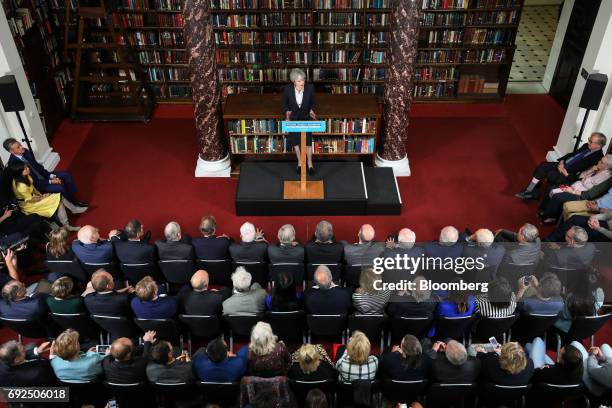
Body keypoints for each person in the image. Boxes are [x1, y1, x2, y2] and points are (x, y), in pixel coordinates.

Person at [516, 132, 607, 200]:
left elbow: (585, 174)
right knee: (543, 166)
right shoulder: (586, 146)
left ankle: (534, 193)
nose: (588, 142)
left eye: (591, 141)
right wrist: (562, 162)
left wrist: (566, 173)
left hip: (569, 174)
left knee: (551, 174)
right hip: (563, 165)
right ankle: (530, 190)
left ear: (598, 145)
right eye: (589, 139)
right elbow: (573, 154)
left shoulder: (598, 159)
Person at [4, 138, 88, 207]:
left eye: (20, 145)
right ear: (11, 151)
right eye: (18, 147)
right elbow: (31, 181)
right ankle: (73, 205)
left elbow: (37, 167)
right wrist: (51, 181)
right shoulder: (13, 164)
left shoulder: (25, 151)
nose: (22, 147)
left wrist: (50, 176)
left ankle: (73, 198)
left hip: (44, 175)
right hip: (36, 185)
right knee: (60, 187)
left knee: (66, 174)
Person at [538, 155, 612, 223]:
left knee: (558, 197)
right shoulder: (596, 168)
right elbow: (580, 177)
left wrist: (572, 191)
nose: (599, 162)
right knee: (552, 188)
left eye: (601, 162)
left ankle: (552, 217)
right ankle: (544, 209)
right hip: (576, 184)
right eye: (600, 160)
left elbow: (589, 194)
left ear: (607, 166)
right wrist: (591, 170)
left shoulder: (606, 178)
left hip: (581, 194)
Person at [9, 161, 80, 231]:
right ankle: (67, 225)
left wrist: (41, 195)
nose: (28, 168)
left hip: (34, 198)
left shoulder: (25, 176)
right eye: (25, 169)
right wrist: (42, 197)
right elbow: (29, 199)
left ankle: (73, 211)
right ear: (19, 172)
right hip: (29, 205)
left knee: (58, 196)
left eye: (26, 167)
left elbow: (33, 188)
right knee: (58, 201)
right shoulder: (21, 186)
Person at [282, 67, 317, 174]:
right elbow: (284, 104)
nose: (302, 82)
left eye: (303, 80)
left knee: (308, 143)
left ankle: (310, 164)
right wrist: (287, 112)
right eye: (299, 81)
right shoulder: (288, 89)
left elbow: (313, 102)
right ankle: (300, 162)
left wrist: (312, 110)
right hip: (294, 120)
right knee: (296, 142)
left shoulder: (310, 88)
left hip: (306, 118)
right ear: (294, 82)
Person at [547, 212, 612, 242]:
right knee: (575, 218)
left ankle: (559, 244)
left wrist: (598, 228)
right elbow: (607, 215)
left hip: (606, 234)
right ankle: (551, 239)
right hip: (604, 222)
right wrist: (594, 217)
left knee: (580, 232)